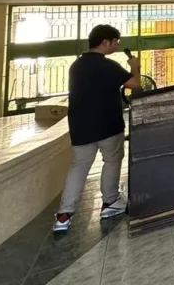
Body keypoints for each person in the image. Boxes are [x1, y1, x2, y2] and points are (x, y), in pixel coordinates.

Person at [53, 25, 139, 232]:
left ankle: (64, 215)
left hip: (81, 127)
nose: (117, 45)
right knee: (112, 160)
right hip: (108, 124)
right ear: (105, 42)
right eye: (115, 41)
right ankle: (110, 202)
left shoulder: (76, 65)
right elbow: (135, 84)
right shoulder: (108, 65)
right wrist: (135, 66)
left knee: (79, 167)